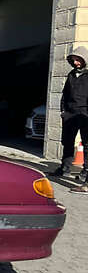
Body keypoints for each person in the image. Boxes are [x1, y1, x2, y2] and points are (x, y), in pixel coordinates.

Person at [52, 47, 88, 182]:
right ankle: (65, 168)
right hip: (70, 114)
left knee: (87, 144)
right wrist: (63, 111)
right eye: (74, 60)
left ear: (85, 59)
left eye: (78, 60)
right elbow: (65, 94)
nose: (76, 63)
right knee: (67, 141)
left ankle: (85, 172)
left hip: (84, 114)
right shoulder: (71, 74)